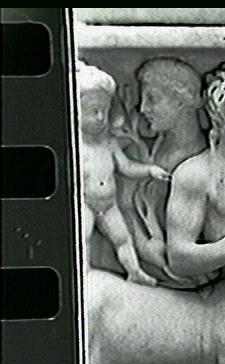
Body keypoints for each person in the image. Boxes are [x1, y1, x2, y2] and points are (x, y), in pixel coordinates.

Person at [77, 60, 169, 286]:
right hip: (85, 204)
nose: (101, 117)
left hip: (109, 205)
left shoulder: (108, 143)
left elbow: (126, 167)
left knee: (122, 238)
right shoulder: (76, 147)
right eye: (93, 111)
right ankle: (82, 273)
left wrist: (149, 170)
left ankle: (134, 272)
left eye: (104, 111)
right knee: (82, 238)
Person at [131, 57, 210, 286]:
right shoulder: (160, 145)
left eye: (152, 99)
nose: (143, 108)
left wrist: (141, 243)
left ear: (181, 101)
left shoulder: (195, 162)